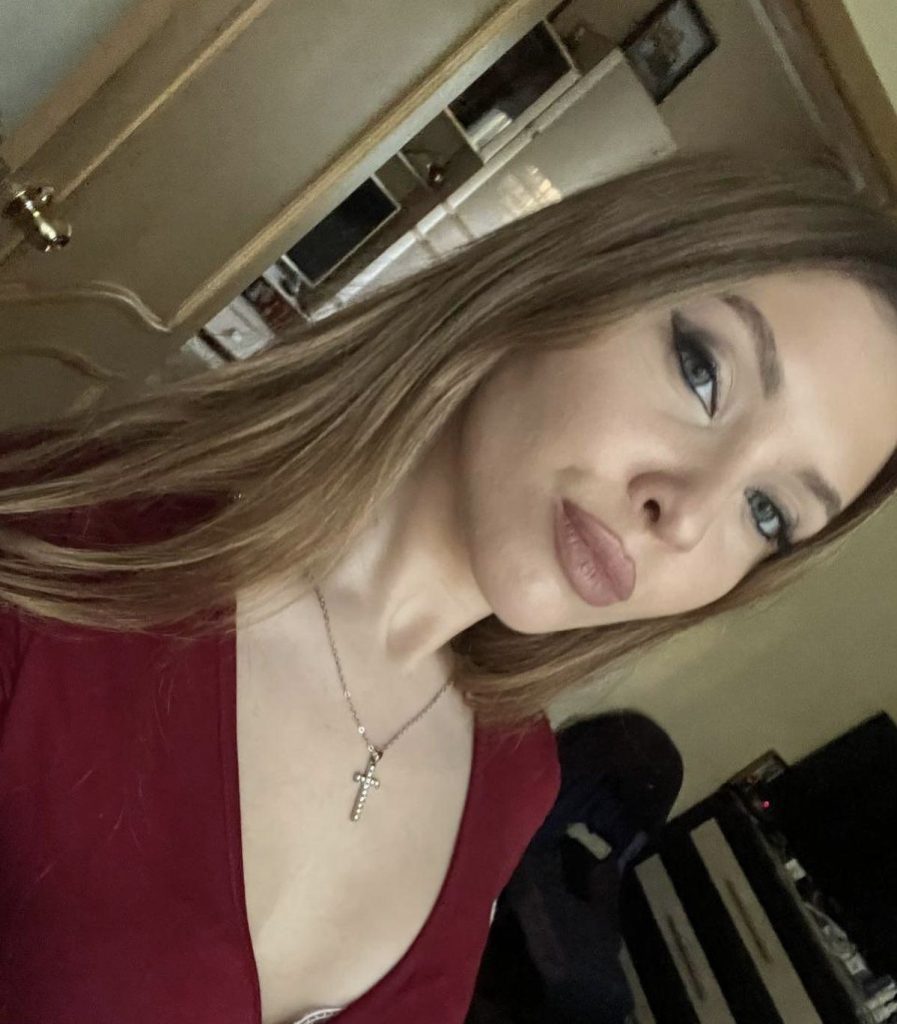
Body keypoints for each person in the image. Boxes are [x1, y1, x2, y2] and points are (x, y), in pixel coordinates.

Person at [1, 152, 897, 1024]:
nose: (686, 515)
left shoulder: (516, 776)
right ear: (568, 278)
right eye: (702, 373)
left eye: (767, 512)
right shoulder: (65, 563)